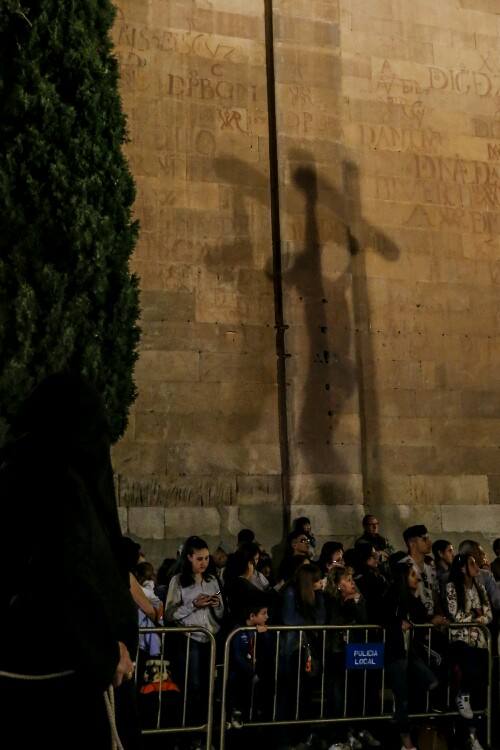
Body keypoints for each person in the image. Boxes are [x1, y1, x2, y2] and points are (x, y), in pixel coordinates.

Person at [0, 373, 139, 750]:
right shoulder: (60, 482)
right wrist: (107, 652)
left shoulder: (13, 469)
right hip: (60, 687)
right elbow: (63, 577)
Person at [165, 535, 223, 736]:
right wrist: (193, 605)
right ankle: (189, 729)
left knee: (209, 684)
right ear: (189, 557)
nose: (204, 563)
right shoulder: (178, 581)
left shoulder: (212, 580)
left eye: (207, 558)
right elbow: (170, 614)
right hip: (190, 638)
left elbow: (221, 612)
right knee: (192, 684)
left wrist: (217, 605)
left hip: (211, 637)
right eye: (199, 559)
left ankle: (206, 728)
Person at [383, 561, 440, 750]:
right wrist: (397, 623)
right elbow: (382, 616)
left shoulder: (410, 597)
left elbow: (421, 614)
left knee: (430, 681)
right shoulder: (391, 596)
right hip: (395, 652)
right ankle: (405, 741)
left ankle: (406, 723)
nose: (417, 579)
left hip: (409, 651)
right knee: (402, 697)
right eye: (413, 575)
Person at [445, 553, 491, 749]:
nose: (476, 566)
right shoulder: (452, 587)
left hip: (479, 641)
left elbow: (488, 613)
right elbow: (456, 615)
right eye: (471, 563)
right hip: (461, 640)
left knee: (481, 685)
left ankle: (475, 736)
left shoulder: (480, 588)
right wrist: (474, 615)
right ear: (462, 567)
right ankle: (462, 697)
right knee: (469, 674)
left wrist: (479, 618)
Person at [228, 598, 270, 728]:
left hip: (251, 672)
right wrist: (251, 673)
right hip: (239, 673)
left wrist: (263, 634)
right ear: (252, 616)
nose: (267, 617)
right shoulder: (238, 631)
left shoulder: (257, 630)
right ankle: (234, 712)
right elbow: (237, 656)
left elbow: (268, 648)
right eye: (263, 613)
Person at [401, 525, 445, 621]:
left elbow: (435, 596)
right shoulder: (404, 566)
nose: (429, 542)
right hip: (414, 621)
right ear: (412, 543)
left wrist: (440, 616)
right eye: (424, 539)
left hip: (430, 621)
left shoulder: (430, 568)